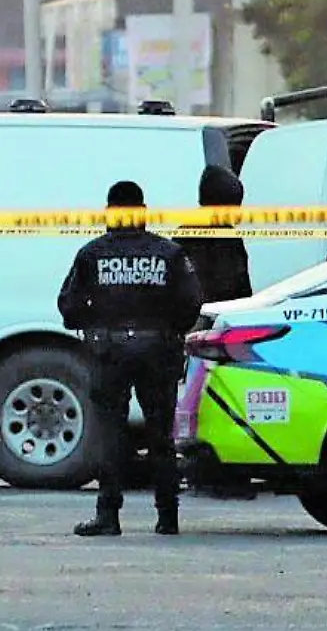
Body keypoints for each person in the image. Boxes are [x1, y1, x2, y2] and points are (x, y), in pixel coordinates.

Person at [57, 180, 202, 538]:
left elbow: (68, 305)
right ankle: (168, 517)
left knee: (110, 435)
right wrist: (170, 329)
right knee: (160, 436)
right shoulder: (169, 253)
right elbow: (191, 302)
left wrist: (94, 324)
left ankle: (108, 515)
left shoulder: (92, 254)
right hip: (159, 350)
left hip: (109, 352)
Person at [172, 165, 252, 305]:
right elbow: (240, 285)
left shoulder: (183, 235)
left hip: (204, 316)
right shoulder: (228, 238)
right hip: (217, 315)